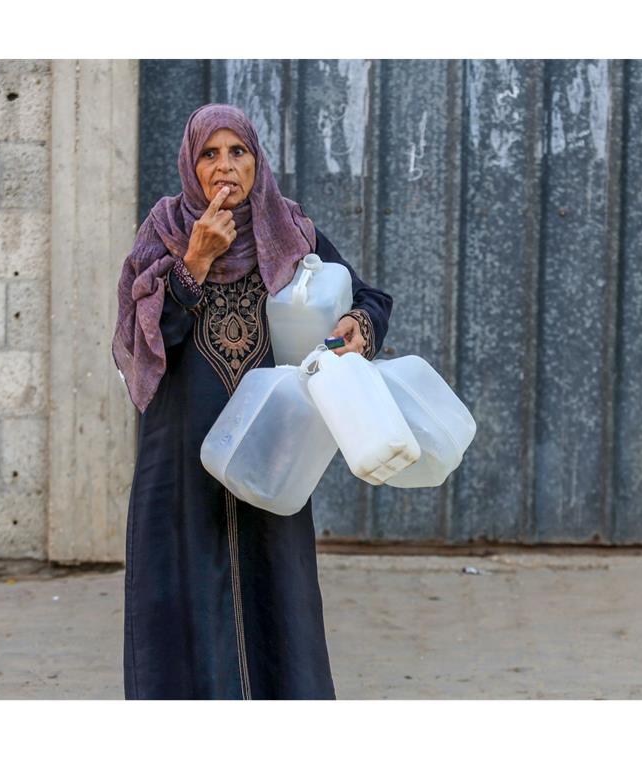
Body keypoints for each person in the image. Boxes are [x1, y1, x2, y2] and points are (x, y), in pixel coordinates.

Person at [112, 104, 393, 699]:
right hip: (181, 458)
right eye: (209, 155)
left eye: (237, 152)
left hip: (270, 451)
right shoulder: (163, 231)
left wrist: (356, 325)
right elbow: (140, 346)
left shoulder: (288, 230)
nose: (225, 167)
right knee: (182, 598)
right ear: (191, 165)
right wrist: (194, 261)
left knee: (277, 597)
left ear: (256, 160)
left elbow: (366, 296)